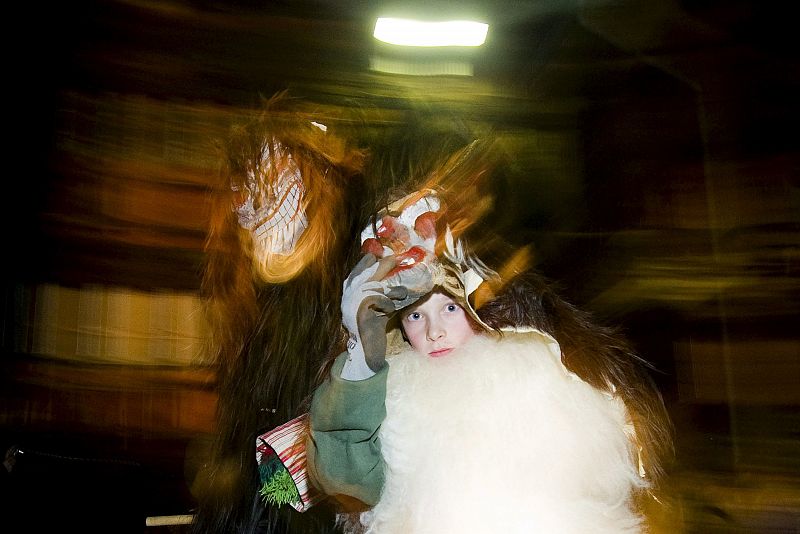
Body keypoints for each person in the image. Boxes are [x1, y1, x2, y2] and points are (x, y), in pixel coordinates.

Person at [259, 187, 673, 533]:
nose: (434, 332)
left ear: (480, 309)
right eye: (416, 316)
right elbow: (348, 482)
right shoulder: (388, 395)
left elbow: (596, 475)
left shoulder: (534, 371)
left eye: (450, 309)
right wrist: (361, 360)